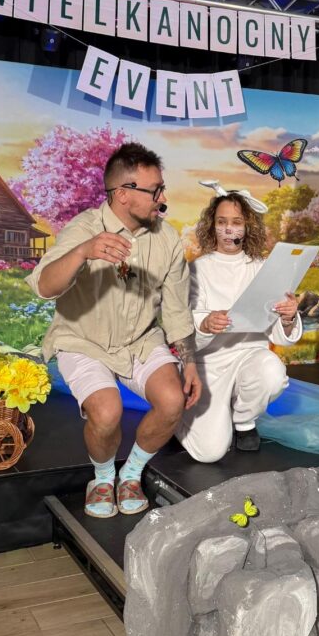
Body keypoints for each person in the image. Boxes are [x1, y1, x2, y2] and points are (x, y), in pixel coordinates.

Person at [27, 143, 201, 518]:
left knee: (173, 402)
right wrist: (82, 252)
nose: (163, 199)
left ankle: (131, 474)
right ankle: (104, 478)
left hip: (139, 339)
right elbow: (44, 286)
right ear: (123, 194)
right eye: (155, 191)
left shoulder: (167, 238)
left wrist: (189, 362)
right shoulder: (84, 228)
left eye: (162, 188)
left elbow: (175, 309)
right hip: (82, 340)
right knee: (107, 413)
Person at [176, 181, 302, 463]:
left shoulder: (262, 269)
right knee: (209, 453)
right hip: (210, 365)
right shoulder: (197, 269)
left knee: (272, 371)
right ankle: (175, 416)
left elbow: (279, 335)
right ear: (212, 226)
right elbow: (184, 326)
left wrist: (288, 316)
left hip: (250, 357)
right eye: (221, 222)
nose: (228, 229)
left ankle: (244, 421)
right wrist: (205, 323)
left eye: (236, 222)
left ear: (248, 227)